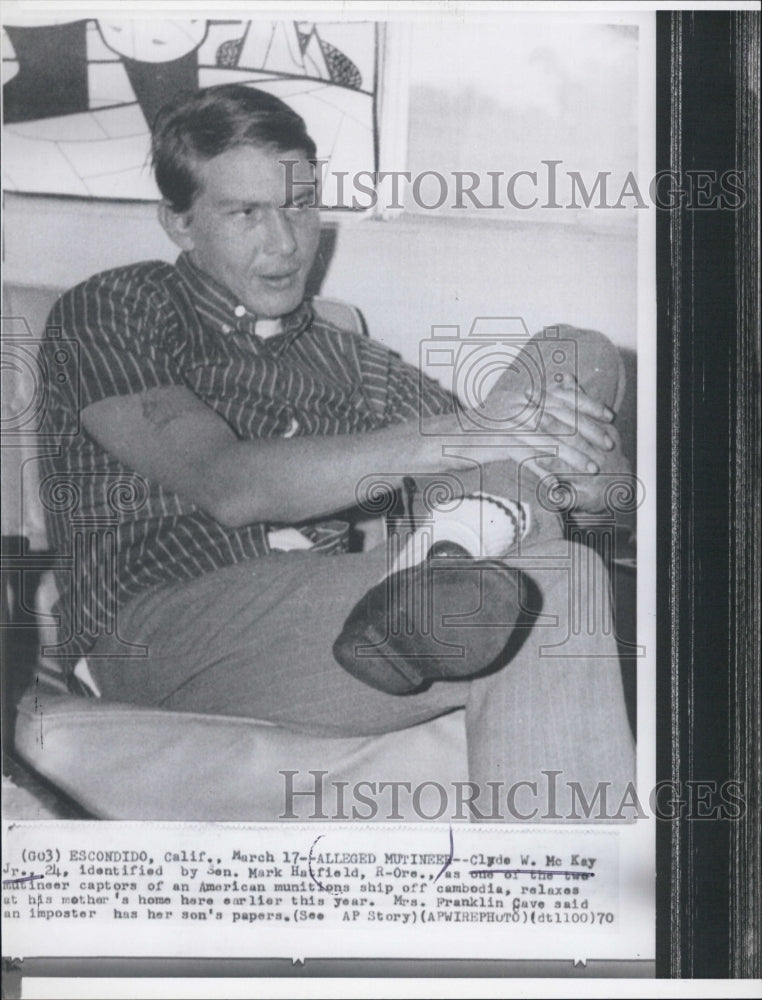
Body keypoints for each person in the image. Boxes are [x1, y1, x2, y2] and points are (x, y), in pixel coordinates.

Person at [40, 84, 634, 820]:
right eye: (245, 212)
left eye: (299, 204)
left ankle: (556, 913)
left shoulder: (350, 361)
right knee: (536, 574)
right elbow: (225, 483)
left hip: (336, 624)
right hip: (157, 627)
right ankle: (452, 552)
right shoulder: (117, 309)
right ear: (180, 223)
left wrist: (577, 457)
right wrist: (474, 435)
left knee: (574, 377)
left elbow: (604, 508)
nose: (286, 241)